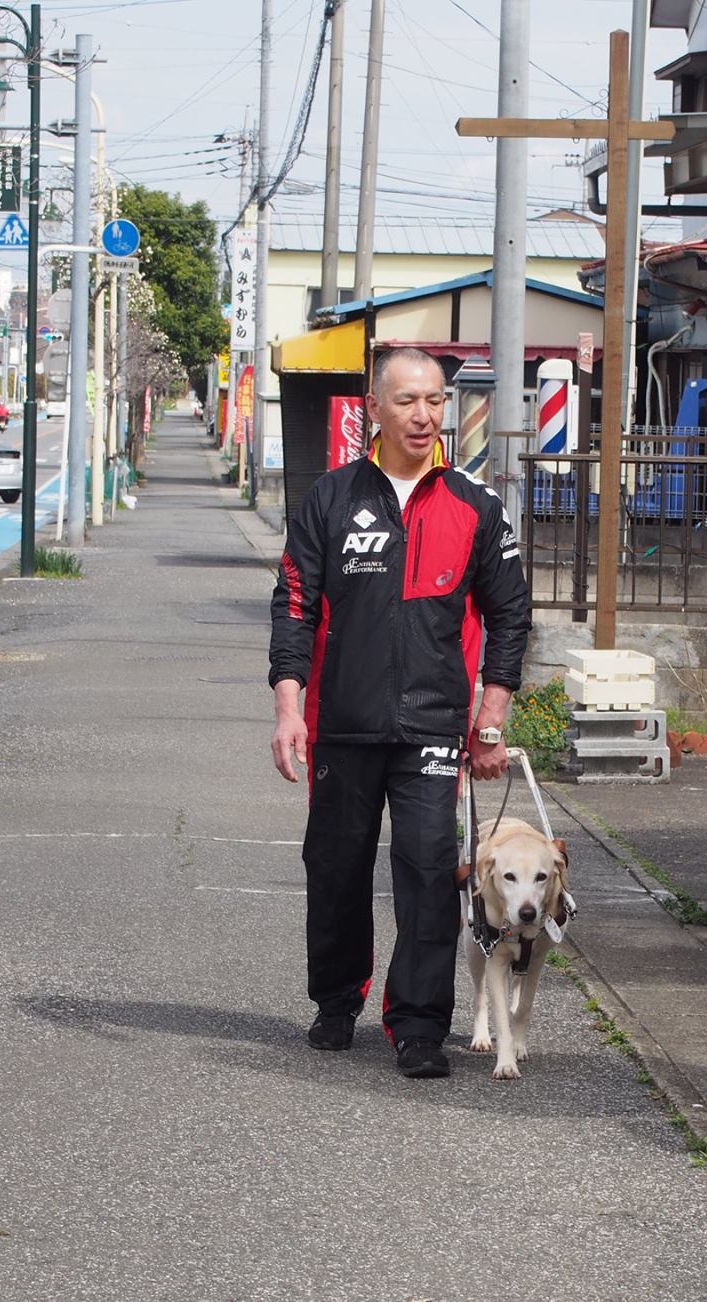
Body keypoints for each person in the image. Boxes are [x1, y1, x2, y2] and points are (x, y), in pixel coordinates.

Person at [269, 347, 531, 1079]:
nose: (423, 415)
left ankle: (419, 1025)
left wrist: (490, 717)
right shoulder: (328, 499)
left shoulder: (475, 506)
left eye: (435, 401)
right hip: (342, 724)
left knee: (426, 875)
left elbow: (511, 616)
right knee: (336, 868)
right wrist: (290, 707)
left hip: (431, 727)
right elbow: (293, 607)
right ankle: (335, 999)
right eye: (408, 400)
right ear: (374, 408)